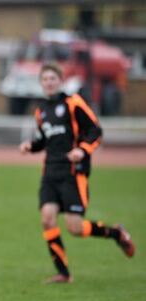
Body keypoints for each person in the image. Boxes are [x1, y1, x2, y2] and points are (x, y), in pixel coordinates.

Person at [19, 63, 135, 283]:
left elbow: (95, 130)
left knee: (75, 228)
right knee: (47, 219)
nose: (49, 83)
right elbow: (45, 140)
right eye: (45, 80)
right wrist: (30, 146)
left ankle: (116, 233)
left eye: (53, 78)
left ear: (60, 80)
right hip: (50, 172)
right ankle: (63, 273)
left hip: (73, 173)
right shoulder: (41, 110)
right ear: (41, 83)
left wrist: (82, 150)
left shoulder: (73, 103)